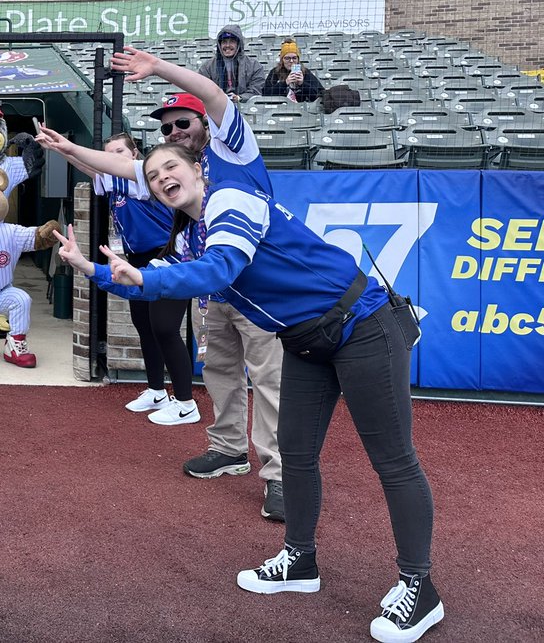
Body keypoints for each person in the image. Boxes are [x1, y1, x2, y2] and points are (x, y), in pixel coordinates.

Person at [54, 142, 442, 643]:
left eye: (171, 166)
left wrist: (161, 69)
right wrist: (91, 269)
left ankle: (420, 587)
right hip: (304, 342)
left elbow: (216, 272)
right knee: (296, 457)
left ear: (198, 169)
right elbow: (166, 279)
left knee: (393, 460)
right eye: (152, 176)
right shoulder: (193, 234)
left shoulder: (233, 198)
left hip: (362, 326)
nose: (163, 178)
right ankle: (300, 561)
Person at [47, 47, 284, 521]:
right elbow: (123, 169)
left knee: (271, 385)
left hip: (260, 295)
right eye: (167, 128)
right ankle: (229, 449)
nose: (175, 132)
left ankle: (280, 475)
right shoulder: (171, 169)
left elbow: (214, 94)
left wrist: (157, 68)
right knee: (219, 373)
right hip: (216, 293)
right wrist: (71, 150)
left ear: (205, 126)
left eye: (183, 123)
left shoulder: (232, 153)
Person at [43, 130, 195, 422]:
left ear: (134, 155)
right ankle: (156, 391)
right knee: (145, 326)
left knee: (165, 328)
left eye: (119, 153)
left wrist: (66, 148)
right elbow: (93, 167)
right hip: (138, 259)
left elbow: (97, 166)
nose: (112, 159)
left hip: (168, 257)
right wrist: (60, 149)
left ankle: (186, 401)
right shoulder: (113, 183)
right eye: (108, 153)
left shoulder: (142, 181)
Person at [198, 24, 265, 102]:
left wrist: (240, 98)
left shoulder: (254, 66)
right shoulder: (207, 67)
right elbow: (203, 89)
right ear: (219, 45)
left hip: (245, 106)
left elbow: (256, 90)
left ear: (239, 44)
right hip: (216, 106)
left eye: (232, 41)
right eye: (224, 42)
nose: (227, 45)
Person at [261, 39, 323, 103]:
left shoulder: (305, 72)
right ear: (282, 60)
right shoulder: (275, 72)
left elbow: (318, 96)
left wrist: (302, 84)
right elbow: (266, 95)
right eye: (287, 58)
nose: (291, 61)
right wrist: (284, 83)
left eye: (294, 58)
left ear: (298, 59)